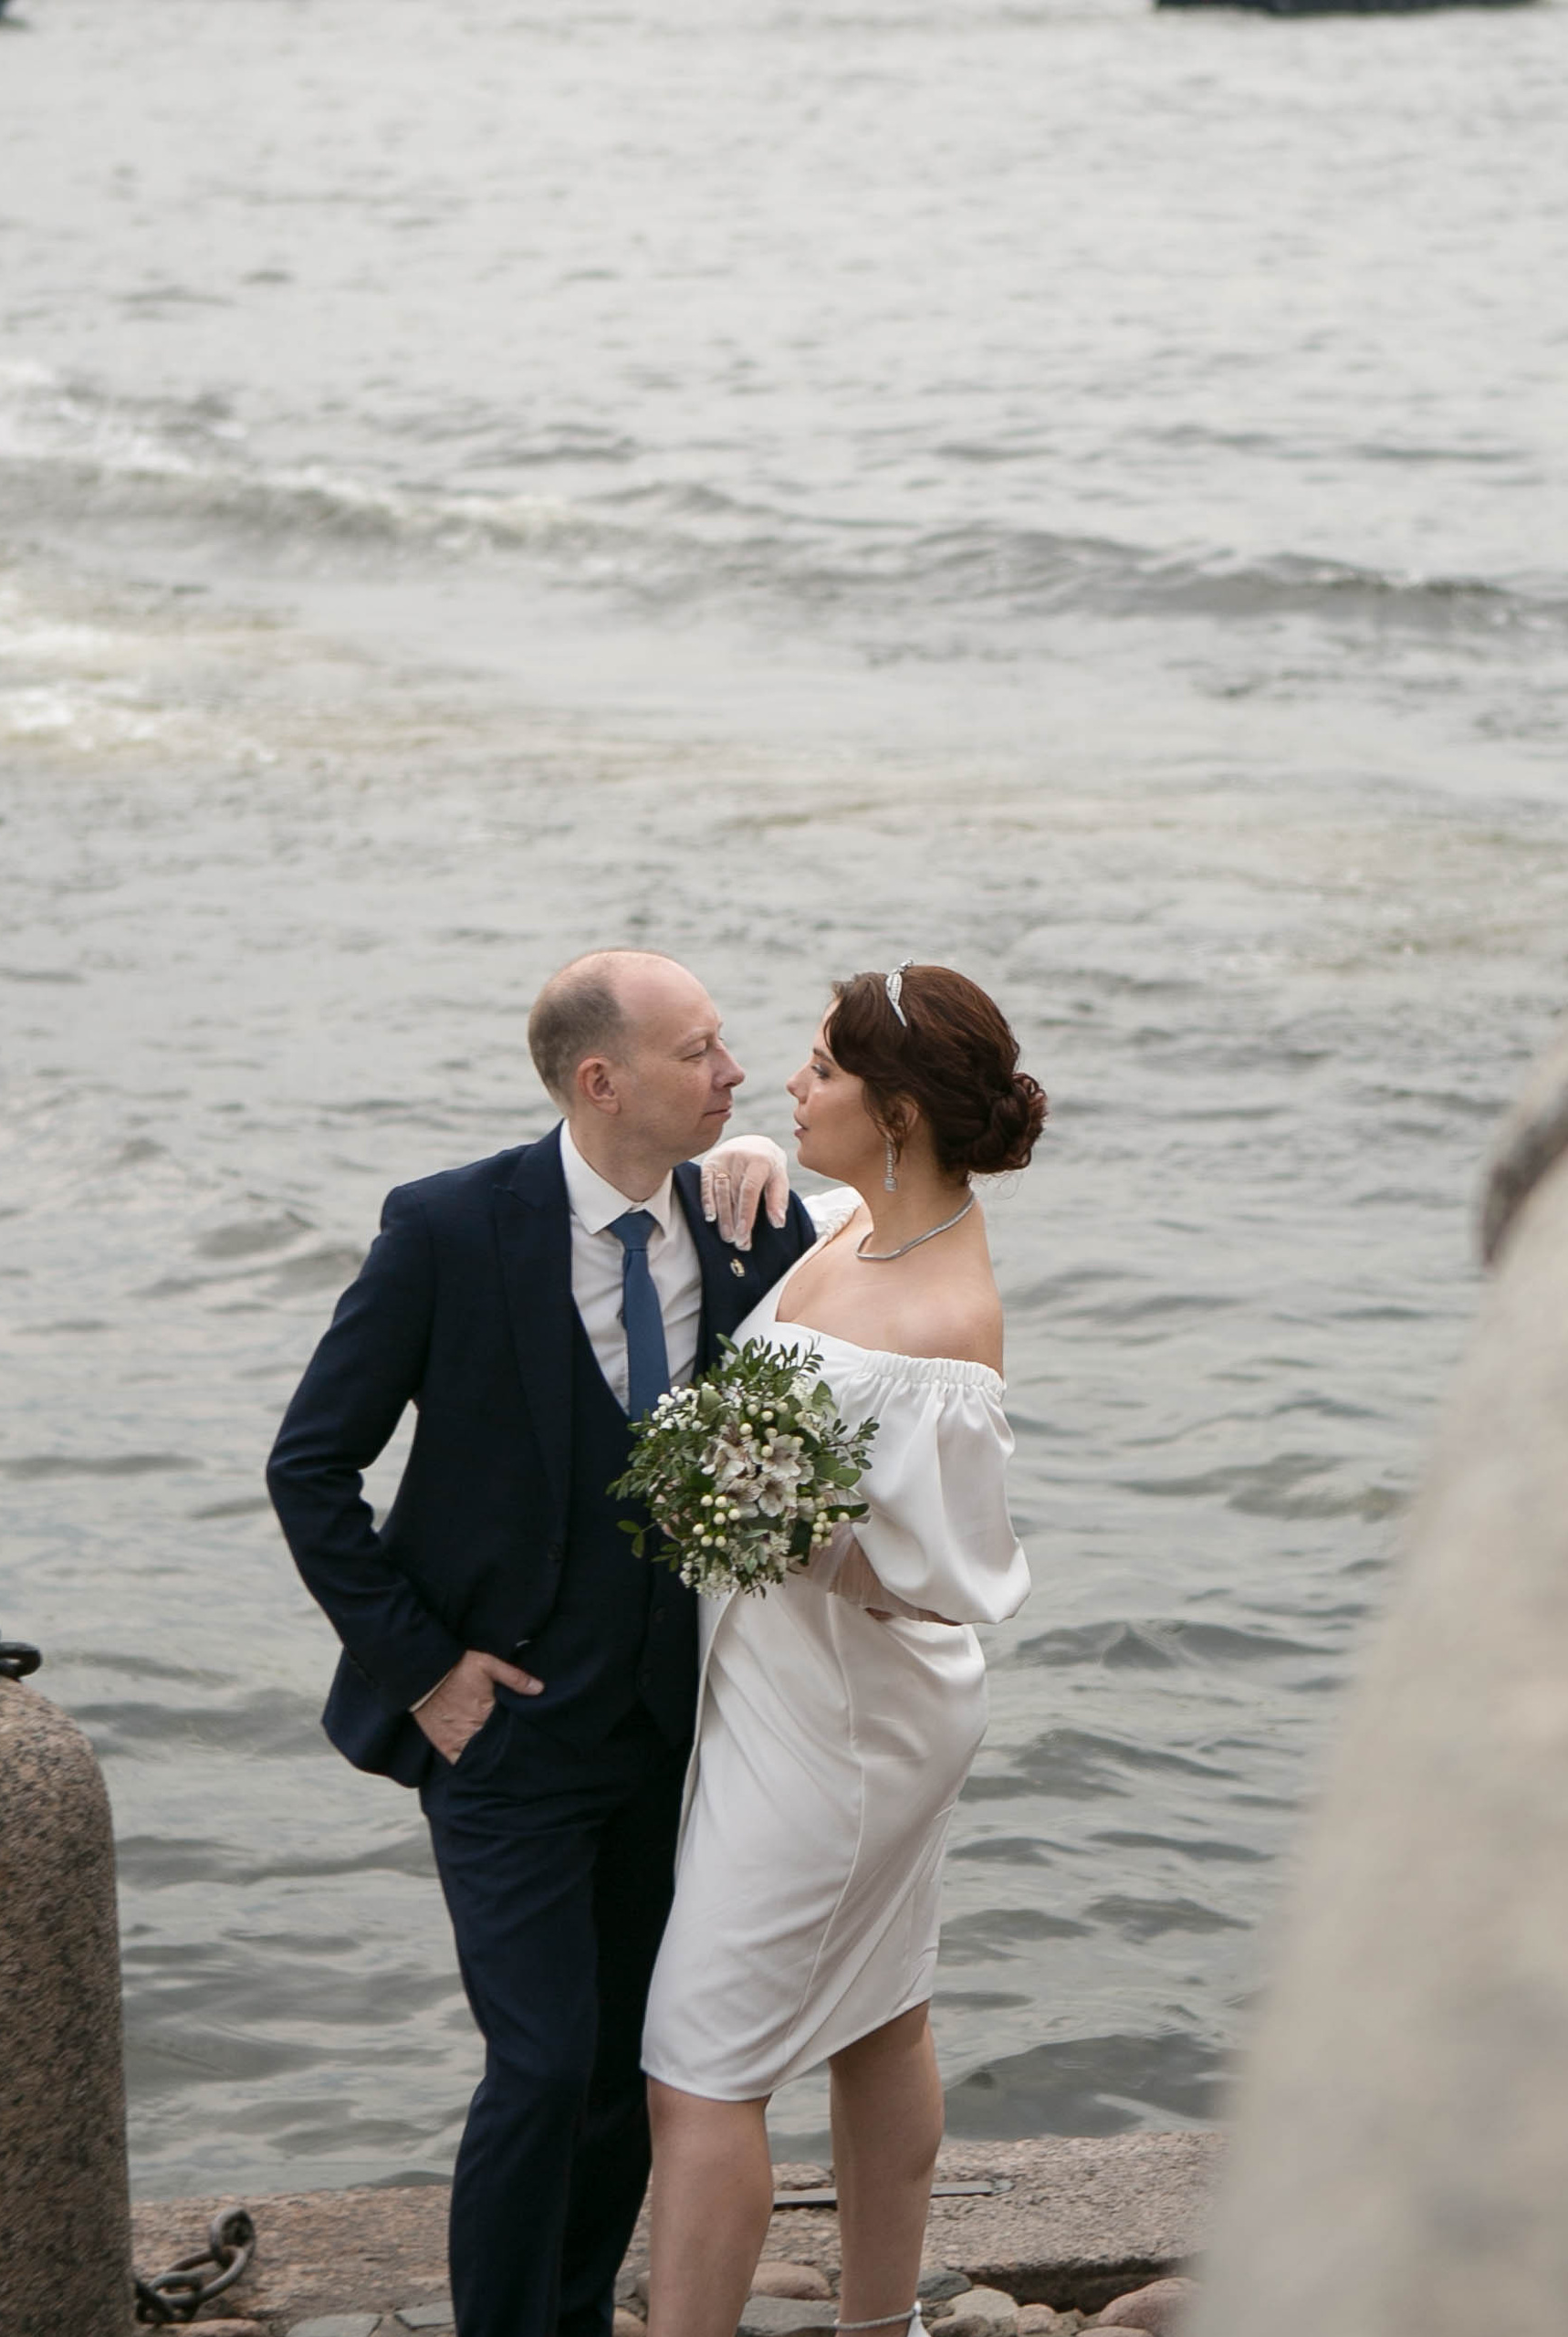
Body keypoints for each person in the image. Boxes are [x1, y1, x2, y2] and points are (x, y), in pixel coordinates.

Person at [267, 951, 810, 2337]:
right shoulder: (451, 1229)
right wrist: (426, 1668)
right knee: (539, 2058)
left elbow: (886, 1245)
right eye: (701, 1053)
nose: (732, 1072)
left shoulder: (747, 1223)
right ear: (600, 1080)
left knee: (636, 2062)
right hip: (501, 1730)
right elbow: (311, 1467)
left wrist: (750, 1150)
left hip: (675, 1729)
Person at [642, 963, 1045, 2337]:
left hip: (847, 1725)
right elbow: (797, 1205)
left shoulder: (946, 1333)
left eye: (819, 1071)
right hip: (793, 1695)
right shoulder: (864, 1219)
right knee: (880, 2012)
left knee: (699, 2066)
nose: (786, 1084)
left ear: (902, 1113)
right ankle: (882, 2326)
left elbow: (951, 1580)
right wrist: (754, 1156)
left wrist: (774, 1522)